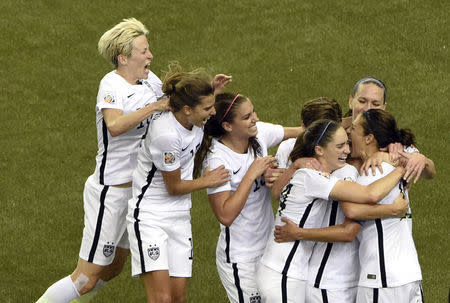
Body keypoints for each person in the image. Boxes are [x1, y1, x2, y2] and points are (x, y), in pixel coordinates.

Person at [36, 18, 171, 303]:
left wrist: (210, 91)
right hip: (110, 193)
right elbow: (115, 124)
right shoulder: (111, 85)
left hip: (134, 193)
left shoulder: (150, 79)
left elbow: (173, 101)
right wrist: (155, 106)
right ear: (123, 57)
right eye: (144, 50)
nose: (151, 55)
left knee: (112, 269)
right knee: (85, 278)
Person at [255, 119, 407, 303]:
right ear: (319, 150)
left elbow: (277, 192)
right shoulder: (314, 178)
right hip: (284, 271)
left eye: (347, 144)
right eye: (340, 146)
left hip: (280, 268)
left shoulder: (307, 174)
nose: (348, 151)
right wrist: (400, 170)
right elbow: (370, 195)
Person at [126, 63, 230, 303]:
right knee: (162, 299)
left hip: (180, 217)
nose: (212, 112)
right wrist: (207, 181)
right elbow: (174, 187)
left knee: (178, 298)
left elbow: (199, 105)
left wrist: (211, 90)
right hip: (151, 217)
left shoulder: (193, 119)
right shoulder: (167, 135)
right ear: (186, 110)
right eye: (207, 108)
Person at [192, 92, 301, 303]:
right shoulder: (217, 160)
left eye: (253, 112)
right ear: (228, 126)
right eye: (247, 117)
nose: (255, 119)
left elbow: (303, 132)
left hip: (269, 248)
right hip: (241, 259)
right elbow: (225, 215)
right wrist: (252, 174)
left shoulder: (257, 135)